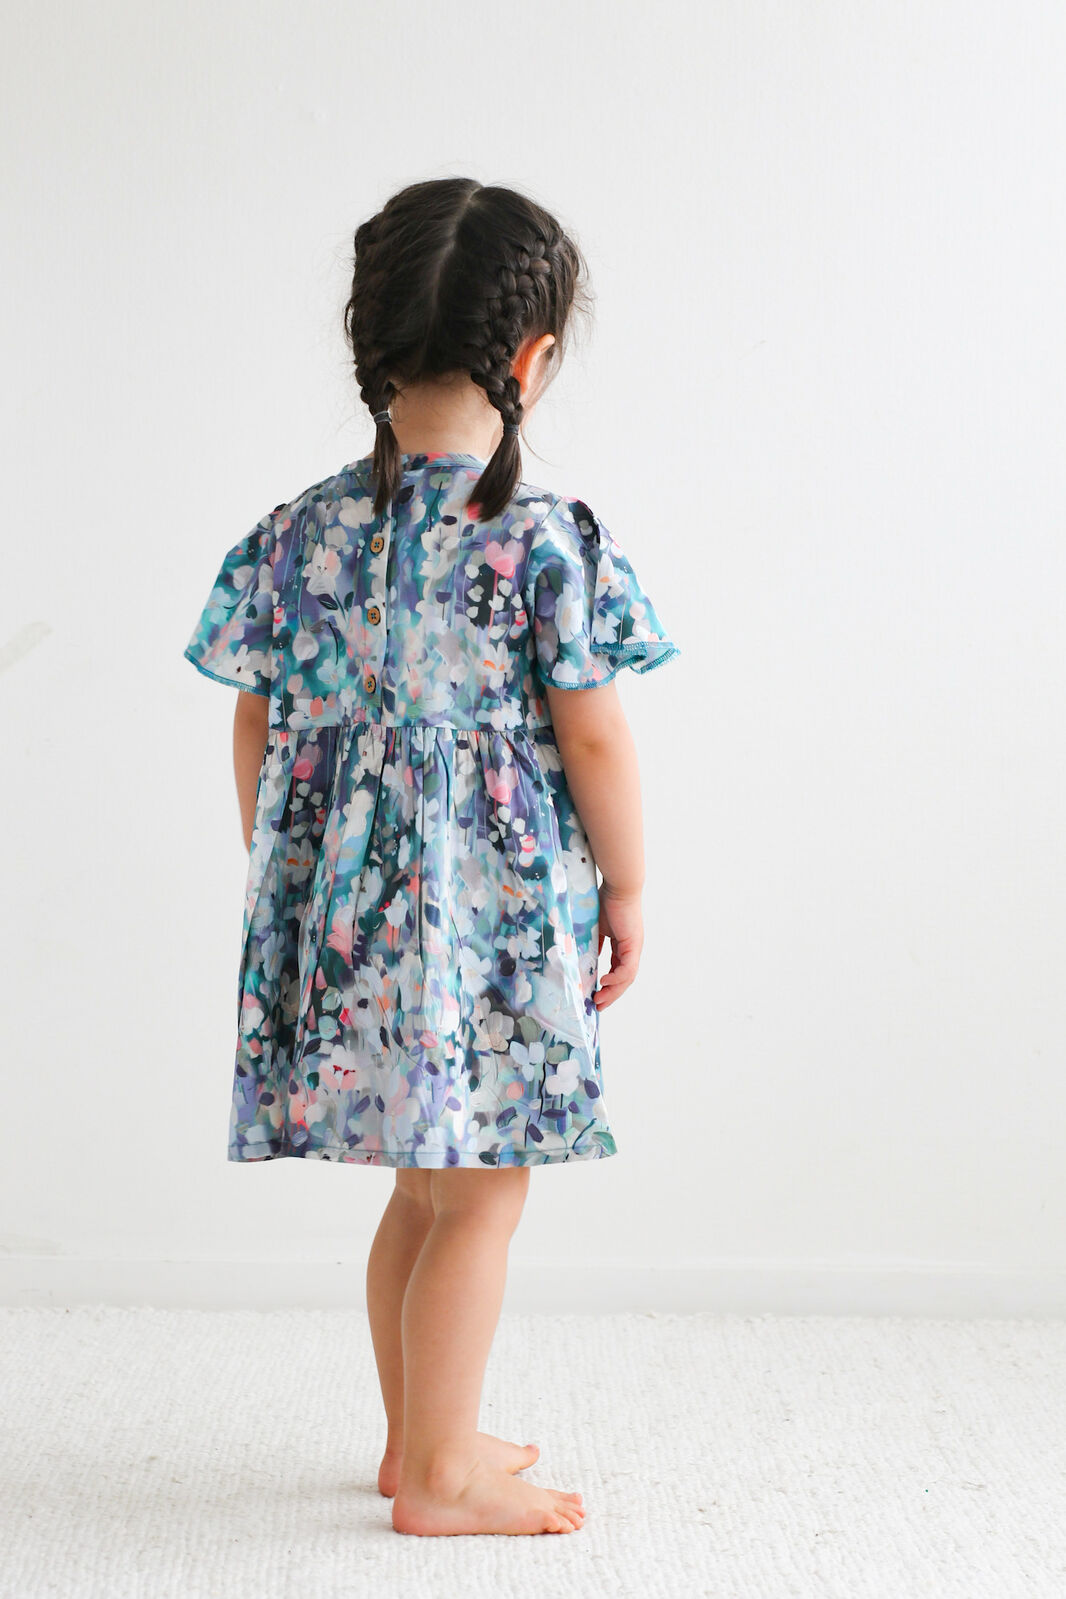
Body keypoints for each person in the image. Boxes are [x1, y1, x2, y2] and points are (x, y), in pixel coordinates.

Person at [183, 178, 681, 1537]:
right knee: (480, 1198)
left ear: (371, 343)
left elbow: (256, 720)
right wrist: (628, 888)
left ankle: (419, 1440)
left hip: (344, 914)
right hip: (491, 925)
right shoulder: (539, 536)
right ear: (532, 358)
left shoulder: (301, 531)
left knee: (421, 1189)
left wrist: (291, 882)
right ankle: (442, 1475)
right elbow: (593, 741)